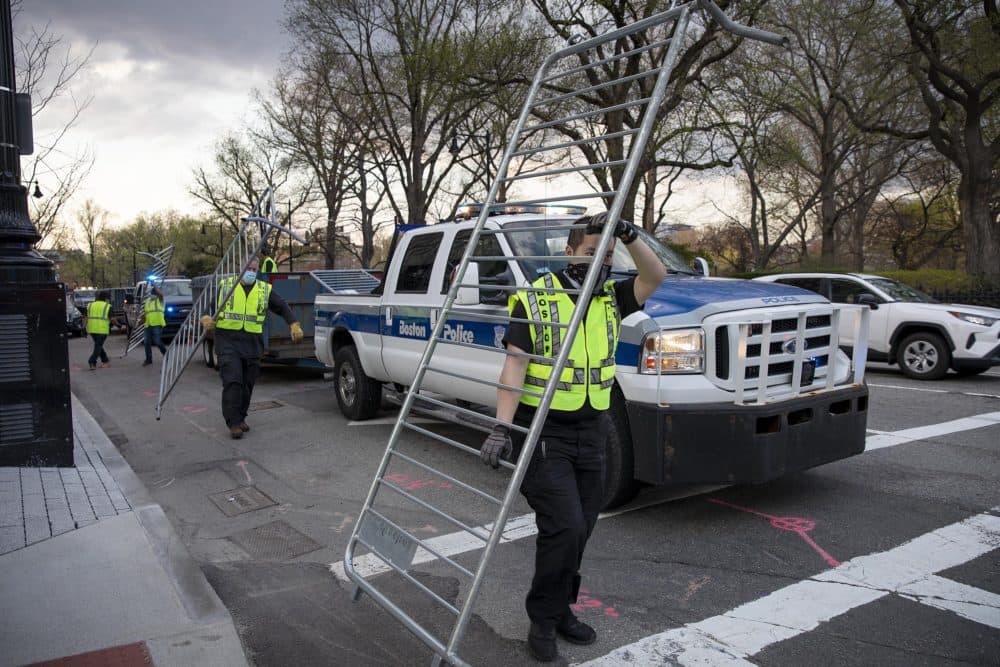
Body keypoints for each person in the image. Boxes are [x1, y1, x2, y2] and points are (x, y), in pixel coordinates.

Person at [481, 212, 666, 662]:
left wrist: (627, 234)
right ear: (568, 253)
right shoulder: (536, 299)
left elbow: (655, 275)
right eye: (589, 254)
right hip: (546, 433)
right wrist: (502, 426)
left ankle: (561, 608)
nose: (599, 263)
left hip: (594, 431)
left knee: (581, 528)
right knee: (563, 527)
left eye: (605, 256)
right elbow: (515, 365)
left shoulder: (611, 297)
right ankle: (543, 620)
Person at [200, 258, 304, 439]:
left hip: (252, 343)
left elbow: (281, 306)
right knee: (233, 381)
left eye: (254, 269)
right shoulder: (226, 286)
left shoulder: (264, 289)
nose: (251, 271)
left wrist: (293, 324)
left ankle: (240, 417)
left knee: (247, 384)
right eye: (248, 268)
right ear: (240, 268)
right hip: (228, 341)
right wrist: (206, 318)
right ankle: (233, 423)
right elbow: (208, 308)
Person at [85, 290, 119, 370]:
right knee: (98, 346)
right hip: (102, 330)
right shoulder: (107, 306)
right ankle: (92, 361)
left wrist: (83, 328)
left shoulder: (90, 305)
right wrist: (118, 325)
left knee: (98, 346)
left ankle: (105, 360)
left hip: (92, 329)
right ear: (106, 299)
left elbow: (85, 318)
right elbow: (113, 319)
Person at [142, 284, 168, 366]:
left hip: (157, 324)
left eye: (153, 293)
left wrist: (155, 286)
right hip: (148, 324)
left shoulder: (160, 300)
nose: (152, 295)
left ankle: (166, 354)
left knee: (157, 341)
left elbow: (161, 294)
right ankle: (148, 359)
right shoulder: (147, 301)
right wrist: (142, 321)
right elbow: (145, 313)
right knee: (146, 342)